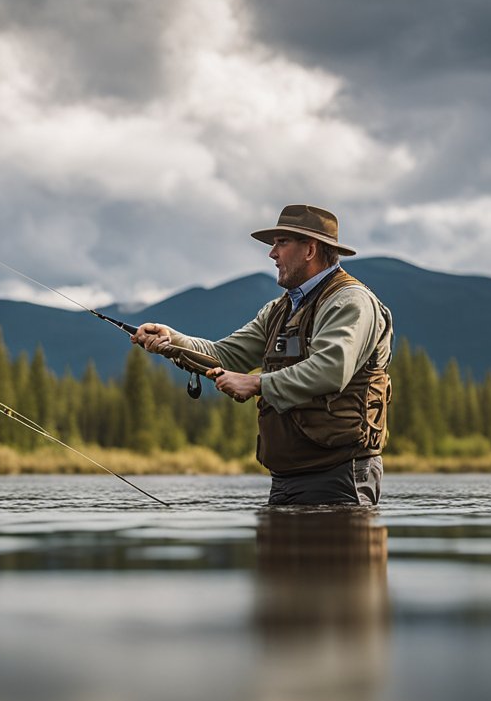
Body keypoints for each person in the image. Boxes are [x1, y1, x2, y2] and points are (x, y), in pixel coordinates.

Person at [132, 205, 393, 505]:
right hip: (287, 476)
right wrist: (172, 340)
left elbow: (332, 369)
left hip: (341, 473)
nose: (272, 253)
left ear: (309, 249)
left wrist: (257, 384)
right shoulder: (278, 311)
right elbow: (225, 355)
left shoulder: (349, 302)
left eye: (281, 243)